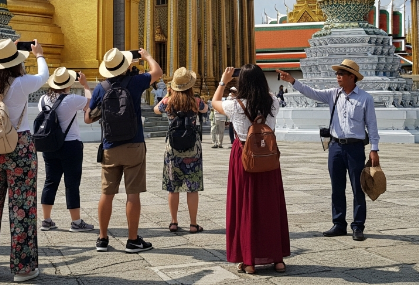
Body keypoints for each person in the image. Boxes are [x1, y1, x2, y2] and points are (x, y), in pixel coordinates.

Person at [278, 60, 380, 242]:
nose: (338, 77)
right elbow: (312, 93)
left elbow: (371, 125)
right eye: (337, 73)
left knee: (358, 187)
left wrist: (374, 149)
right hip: (336, 147)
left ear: (352, 77)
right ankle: (339, 223)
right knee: (337, 187)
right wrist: (292, 81)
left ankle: (358, 226)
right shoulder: (333, 95)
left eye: (341, 73)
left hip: (355, 147)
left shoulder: (365, 98)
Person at [0, 39, 49, 282]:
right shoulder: (20, 83)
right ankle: (23, 268)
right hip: (19, 147)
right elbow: (44, 77)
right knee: (22, 209)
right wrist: (37, 54)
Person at [85, 48, 162, 253]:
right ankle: (132, 240)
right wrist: (146, 57)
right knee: (132, 193)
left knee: (106, 193)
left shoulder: (101, 88)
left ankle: (102, 238)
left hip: (110, 146)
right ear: (126, 65)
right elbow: (158, 72)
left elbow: (88, 118)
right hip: (133, 143)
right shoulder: (135, 82)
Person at [213, 65, 288, 274]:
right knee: (270, 206)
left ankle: (249, 261)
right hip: (268, 156)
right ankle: (277, 259)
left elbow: (214, 103)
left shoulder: (235, 104)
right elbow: (268, 96)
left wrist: (223, 81)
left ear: (242, 83)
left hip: (244, 155)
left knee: (245, 206)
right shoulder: (273, 101)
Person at [39, 67, 95, 233]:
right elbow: (90, 105)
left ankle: (46, 220)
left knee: (50, 181)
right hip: (70, 145)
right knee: (71, 184)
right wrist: (85, 86)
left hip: (49, 145)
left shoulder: (42, 99)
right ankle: (76, 222)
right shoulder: (71, 99)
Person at [154, 67, 209, 233]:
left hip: (173, 149)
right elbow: (206, 109)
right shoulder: (196, 101)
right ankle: (193, 224)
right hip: (192, 148)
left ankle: (174, 222)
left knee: (173, 187)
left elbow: (156, 110)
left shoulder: (168, 102)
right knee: (192, 187)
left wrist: (167, 95)